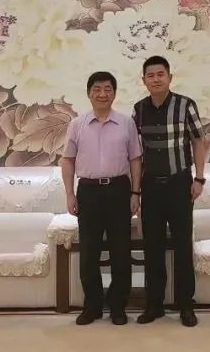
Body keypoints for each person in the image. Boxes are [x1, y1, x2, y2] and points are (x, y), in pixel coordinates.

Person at [60, 71, 142, 326]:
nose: (102, 94)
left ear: (114, 93)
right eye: (97, 89)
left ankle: (118, 307)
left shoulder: (127, 123)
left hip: (119, 190)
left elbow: (135, 159)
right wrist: (70, 193)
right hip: (89, 191)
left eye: (108, 89)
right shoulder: (77, 124)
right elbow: (68, 160)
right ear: (89, 93)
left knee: (121, 251)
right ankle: (92, 306)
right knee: (89, 252)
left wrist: (135, 193)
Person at [133, 56, 207, 327]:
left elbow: (199, 141)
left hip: (179, 184)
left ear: (169, 77)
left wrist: (199, 178)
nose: (156, 79)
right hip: (151, 186)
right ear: (144, 80)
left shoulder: (185, 105)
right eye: (150, 75)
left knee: (182, 245)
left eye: (160, 74)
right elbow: (135, 153)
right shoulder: (139, 109)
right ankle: (154, 305)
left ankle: (186, 305)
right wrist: (135, 191)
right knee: (152, 247)